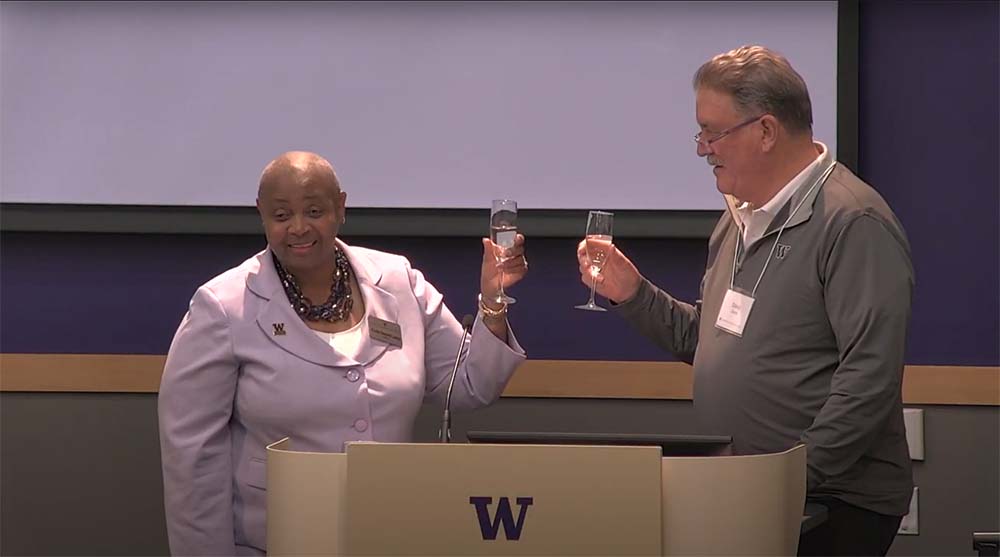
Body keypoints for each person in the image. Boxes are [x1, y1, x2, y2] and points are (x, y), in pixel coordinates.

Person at [577, 45, 913, 556]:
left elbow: (868, 379)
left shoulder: (852, 222)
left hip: (832, 502)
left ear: (766, 131)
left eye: (713, 132)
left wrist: (790, 477)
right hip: (751, 492)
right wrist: (634, 294)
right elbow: (708, 339)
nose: (702, 148)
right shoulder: (738, 219)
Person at [158, 151, 528, 555]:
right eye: (281, 216)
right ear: (262, 215)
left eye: (314, 210)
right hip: (273, 541)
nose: (298, 228)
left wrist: (493, 301)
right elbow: (191, 456)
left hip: (389, 534)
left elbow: (470, 386)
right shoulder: (223, 305)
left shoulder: (398, 281)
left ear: (341, 207)